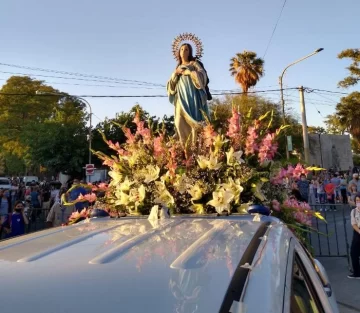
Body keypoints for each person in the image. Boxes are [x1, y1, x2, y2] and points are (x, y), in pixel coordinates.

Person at [167, 43, 210, 145]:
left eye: (186, 49)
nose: (183, 51)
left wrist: (190, 73)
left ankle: (195, 146)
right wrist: (175, 74)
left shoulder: (194, 64)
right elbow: (170, 86)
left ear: (190, 52)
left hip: (192, 96)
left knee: (194, 121)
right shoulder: (177, 68)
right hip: (180, 98)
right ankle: (183, 146)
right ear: (178, 52)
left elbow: (203, 75)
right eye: (181, 49)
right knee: (178, 121)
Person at [348, 193, 360, 279]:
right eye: (357, 201)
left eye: (359, 200)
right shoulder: (354, 211)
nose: (358, 202)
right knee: (354, 253)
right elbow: (353, 223)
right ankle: (357, 273)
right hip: (357, 233)